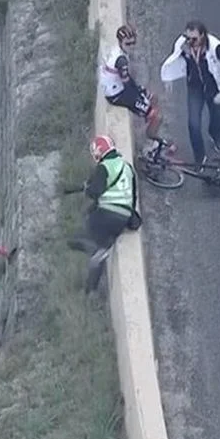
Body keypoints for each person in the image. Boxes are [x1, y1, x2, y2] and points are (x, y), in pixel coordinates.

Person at [160, 20, 220, 166]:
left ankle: (215, 137)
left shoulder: (216, 48)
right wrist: (168, 77)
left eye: (194, 39)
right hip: (195, 88)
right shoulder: (184, 44)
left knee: (216, 117)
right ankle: (200, 157)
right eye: (187, 37)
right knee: (193, 124)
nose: (190, 42)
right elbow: (174, 57)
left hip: (213, 87)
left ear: (203, 35)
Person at [68, 135, 141, 292]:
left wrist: (87, 190)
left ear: (98, 152)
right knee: (100, 245)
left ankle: (95, 254)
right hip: (122, 217)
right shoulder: (127, 167)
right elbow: (134, 195)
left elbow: (94, 192)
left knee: (77, 239)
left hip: (105, 214)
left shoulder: (104, 168)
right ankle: (91, 288)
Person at [100, 24, 176, 159]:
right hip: (117, 94)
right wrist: (141, 99)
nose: (132, 46)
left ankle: (150, 131)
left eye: (134, 43)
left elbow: (128, 80)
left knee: (153, 98)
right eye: (128, 44)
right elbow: (128, 87)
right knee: (156, 116)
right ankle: (152, 142)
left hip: (118, 87)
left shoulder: (120, 51)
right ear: (120, 42)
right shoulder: (121, 60)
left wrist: (142, 93)